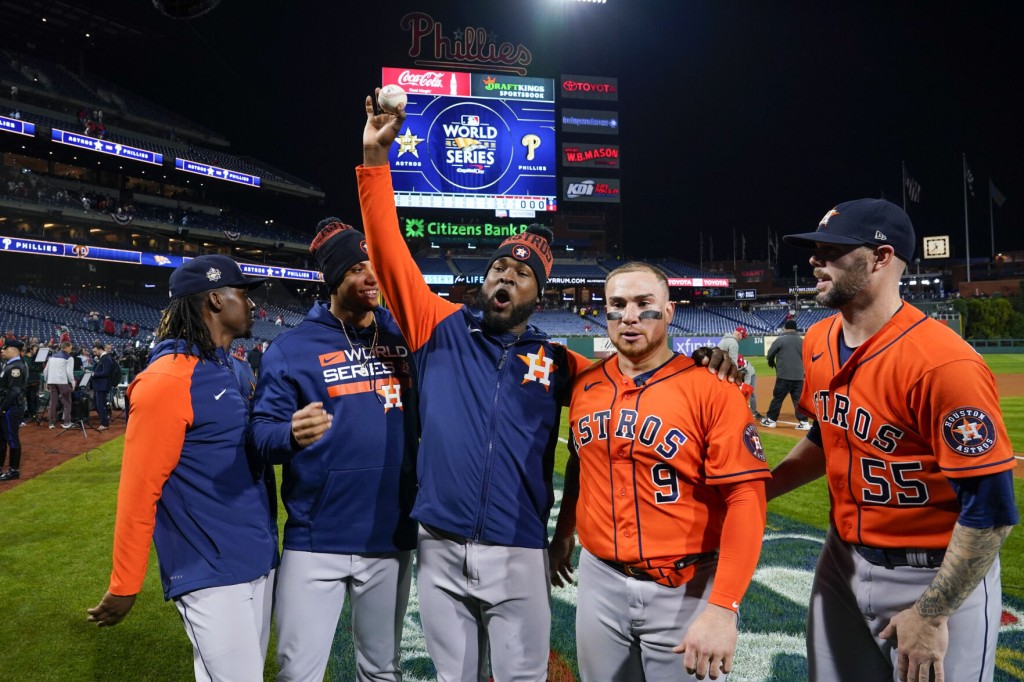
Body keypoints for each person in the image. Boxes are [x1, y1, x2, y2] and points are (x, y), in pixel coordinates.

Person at [358, 94, 592, 681]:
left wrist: (707, 363)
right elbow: (388, 252)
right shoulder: (437, 325)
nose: (505, 277)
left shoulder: (560, 361)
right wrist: (373, 161)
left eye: (521, 275)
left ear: (539, 295)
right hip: (438, 542)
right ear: (483, 280)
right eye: (498, 269)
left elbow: (630, 390)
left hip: (519, 550)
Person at [764, 199, 1017, 681]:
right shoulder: (818, 341)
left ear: (881, 258)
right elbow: (826, 435)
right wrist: (754, 493)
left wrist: (933, 612)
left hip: (937, 576)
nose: (815, 259)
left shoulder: (944, 365)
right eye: (815, 249)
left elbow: (992, 511)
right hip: (841, 560)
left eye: (832, 249)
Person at [549, 263, 769, 681]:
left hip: (685, 584)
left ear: (669, 312)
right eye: (617, 305)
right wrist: (564, 534)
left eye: (643, 304)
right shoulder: (584, 383)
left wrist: (723, 608)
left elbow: (746, 499)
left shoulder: (712, 386)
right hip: (599, 579)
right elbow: (582, 461)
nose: (629, 316)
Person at [87, 254, 280, 682]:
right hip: (206, 566)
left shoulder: (238, 367)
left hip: (258, 554)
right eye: (243, 295)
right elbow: (140, 490)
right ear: (215, 299)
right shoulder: (166, 381)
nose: (252, 306)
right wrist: (124, 583)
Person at [248, 218, 419, 682]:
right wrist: (289, 433)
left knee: (382, 671)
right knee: (298, 673)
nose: (370, 277)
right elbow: (260, 435)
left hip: (390, 534)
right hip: (315, 538)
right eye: (357, 268)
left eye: (375, 267)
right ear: (334, 278)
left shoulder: (406, 336)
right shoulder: (291, 348)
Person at [760, 319, 811, 430]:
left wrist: (771, 361)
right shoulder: (802, 341)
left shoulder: (781, 339)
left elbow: (770, 354)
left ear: (786, 328)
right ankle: (804, 422)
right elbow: (807, 358)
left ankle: (771, 420)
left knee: (778, 398)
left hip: (784, 375)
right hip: (798, 376)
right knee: (798, 399)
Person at [0, 339, 28, 481]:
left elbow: (14, 391)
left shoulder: (16, 367)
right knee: (2, 438)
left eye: (5, 348)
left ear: (13, 350)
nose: (2, 351)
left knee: (11, 438)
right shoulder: (9, 365)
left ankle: (14, 470)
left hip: (11, 408)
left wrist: (3, 408)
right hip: (6, 406)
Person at [43, 341, 75, 428]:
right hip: (62, 382)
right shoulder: (69, 358)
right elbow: (69, 372)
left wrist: (46, 382)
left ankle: (52, 423)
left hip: (51, 381)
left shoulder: (52, 357)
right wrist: (73, 382)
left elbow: (45, 371)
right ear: (67, 347)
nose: (71, 349)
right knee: (67, 402)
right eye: (70, 347)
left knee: (53, 402)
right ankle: (67, 422)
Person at [90, 340, 116, 431]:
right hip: (99, 385)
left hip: (102, 385)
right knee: (97, 404)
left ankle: (104, 423)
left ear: (100, 349)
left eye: (95, 351)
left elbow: (106, 372)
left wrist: (94, 374)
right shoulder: (103, 358)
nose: (94, 353)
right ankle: (105, 419)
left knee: (100, 404)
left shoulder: (106, 358)